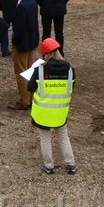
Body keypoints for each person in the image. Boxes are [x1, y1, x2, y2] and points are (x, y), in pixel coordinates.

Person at [28, 38, 77, 175]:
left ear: (45, 54)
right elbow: (71, 88)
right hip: (60, 112)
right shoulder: (70, 70)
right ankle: (71, 164)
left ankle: (49, 166)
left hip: (42, 113)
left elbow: (30, 87)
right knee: (63, 136)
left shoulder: (40, 70)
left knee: (45, 138)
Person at [9, 0, 40, 110]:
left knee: (21, 72)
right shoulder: (32, 2)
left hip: (22, 44)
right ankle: (32, 96)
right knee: (30, 70)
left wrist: (14, 40)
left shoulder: (21, 6)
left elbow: (19, 29)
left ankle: (24, 100)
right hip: (32, 42)